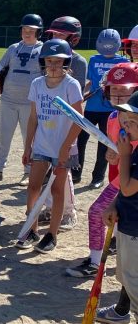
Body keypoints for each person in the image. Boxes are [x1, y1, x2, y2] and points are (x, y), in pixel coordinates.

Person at [66, 62, 138, 278]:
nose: (118, 94)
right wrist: (112, 154)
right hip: (120, 176)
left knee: (97, 211)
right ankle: (113, 245)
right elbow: (115, 150)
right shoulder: (114, 118)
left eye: (124, 90)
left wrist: (122, 155)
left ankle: (96, 262)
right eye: (113, 89)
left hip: (131, 178)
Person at [15, 39, 83, 253]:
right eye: (50, 61)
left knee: (56, 190)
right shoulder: (37, 84)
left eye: (59, 61)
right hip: (42, 146)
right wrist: (28, 147)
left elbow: (78, 119)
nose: (53, 66)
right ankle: (31, 228)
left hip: (64, 148)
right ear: (43, 62)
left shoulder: (71, 85)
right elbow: (33, 118)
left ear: (66, 63)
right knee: (33, 186)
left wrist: (66, 146)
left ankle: (52, 234)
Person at [0, 14, 44, 186]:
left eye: (31, 30)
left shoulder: (43, 50)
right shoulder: (13, 48)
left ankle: (28, 172)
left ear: (39, 32)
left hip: (30, 104)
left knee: (29, 139)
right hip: (8, 100)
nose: (27, 33)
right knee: (3, 136)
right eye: (24, 29)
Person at [101, 92, 138, 321]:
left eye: (133, 121)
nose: (127, 125)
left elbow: (127, 188)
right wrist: (113, 205)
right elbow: (125, 193)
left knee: (134, 281)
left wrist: (124, 155)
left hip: (136, 230)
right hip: (128, 224)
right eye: (126, 120)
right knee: (126, 277)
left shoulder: (132, 152)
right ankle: (123, 312)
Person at [75, 29, 128, 189]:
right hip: (92, 107)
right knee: (80, 140)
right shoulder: (93, 59)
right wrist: (83, 93)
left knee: (104, 143)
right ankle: (76, 173)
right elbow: (90, 81)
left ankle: (97, 177)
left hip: (110, 110)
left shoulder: (122, 62)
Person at [42, 16, 88, 183]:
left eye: (61, 35)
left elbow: (77, 95)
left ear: (73, 38)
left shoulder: (78, 62)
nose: (55, 38)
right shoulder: (46, 57)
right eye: (53, 34)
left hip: (65, 116)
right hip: (48, 111)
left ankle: (69, 174)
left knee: (66, 149)